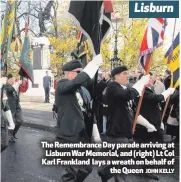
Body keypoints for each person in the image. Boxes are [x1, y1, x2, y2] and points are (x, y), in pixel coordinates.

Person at [98, 66, 150, 182]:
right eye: (124, 73)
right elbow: (128, 95)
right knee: (122, 164)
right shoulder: (112, 87)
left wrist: (146, 124)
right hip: (118, 131)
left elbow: (131, 109)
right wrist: (141, 82)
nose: (128, 75)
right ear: (116, 76)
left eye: (128, 73)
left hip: (125, 131)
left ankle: (104, 171)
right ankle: (105, 172)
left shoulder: (122, 88)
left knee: (119, 161)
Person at [55, 55, 102, 182]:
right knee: (70, 171)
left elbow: (88, 111)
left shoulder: (82, 90)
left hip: (82, 134)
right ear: (69, 73)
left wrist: (95, 132)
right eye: (78, 72)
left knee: (86, 168)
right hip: (69, 136)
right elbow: (76, 82)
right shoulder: (61, 85)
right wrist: (93, 65)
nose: (81, 75)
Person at [134, 73, 175, 142]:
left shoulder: (148, 89)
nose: (152, 79)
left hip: (154, 121)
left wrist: (159, 121)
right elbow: (158, 98)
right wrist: (168, 91)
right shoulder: (143, 90)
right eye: (150, 78)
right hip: (148, 123)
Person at [4, 74, 23, 143]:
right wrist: (18, 83)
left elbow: (16, 93)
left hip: (17, 105)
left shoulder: (14, 85)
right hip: (11, 106)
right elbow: (10, 90)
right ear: (9, 79)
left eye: (14, 80)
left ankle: (13, 133)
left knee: (20, 120)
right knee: (11, 122)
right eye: (13, 79)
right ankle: (10, 136)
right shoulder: (5, 86)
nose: (14, 81)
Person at [1, 77, 15, 151]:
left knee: (4, 144)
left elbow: (5, 106)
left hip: (1, 121)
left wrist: (11, 121)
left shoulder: (3, 88)